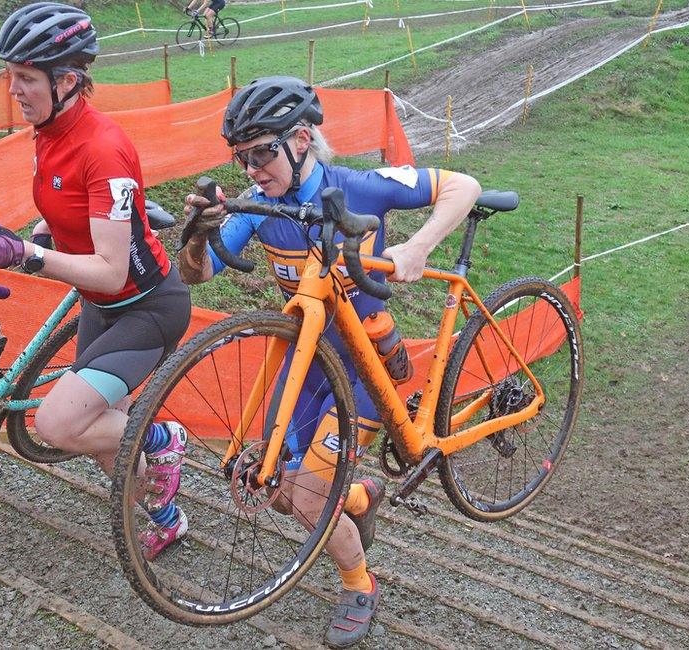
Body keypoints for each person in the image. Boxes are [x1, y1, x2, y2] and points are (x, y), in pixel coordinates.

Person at [178, 76, 481, 648]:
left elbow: (463, 185)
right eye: (240, 158)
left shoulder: (361, 186)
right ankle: (361, 498)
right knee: (278, 487)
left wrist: (417, 247)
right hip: (305, 363)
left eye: (262, 153)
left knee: (311, 495)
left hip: (367, 364)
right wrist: (196, 237)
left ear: (302, 138)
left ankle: (360, 583)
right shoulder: (261, 205)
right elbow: (198, 274)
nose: (251, 170)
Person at [0, 3, 192, 560]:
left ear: (67, 80)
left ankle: (162, 438)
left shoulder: (103, 148)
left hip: (147, 308)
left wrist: (26, 254)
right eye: (10, 75)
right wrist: (23, 233)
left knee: (59, 424)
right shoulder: (50, 128)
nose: (13, 89)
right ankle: (166, 516)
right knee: (97, 437)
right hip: (101, 305)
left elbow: (112, 269)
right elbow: (67, 210)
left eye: (25, 78)